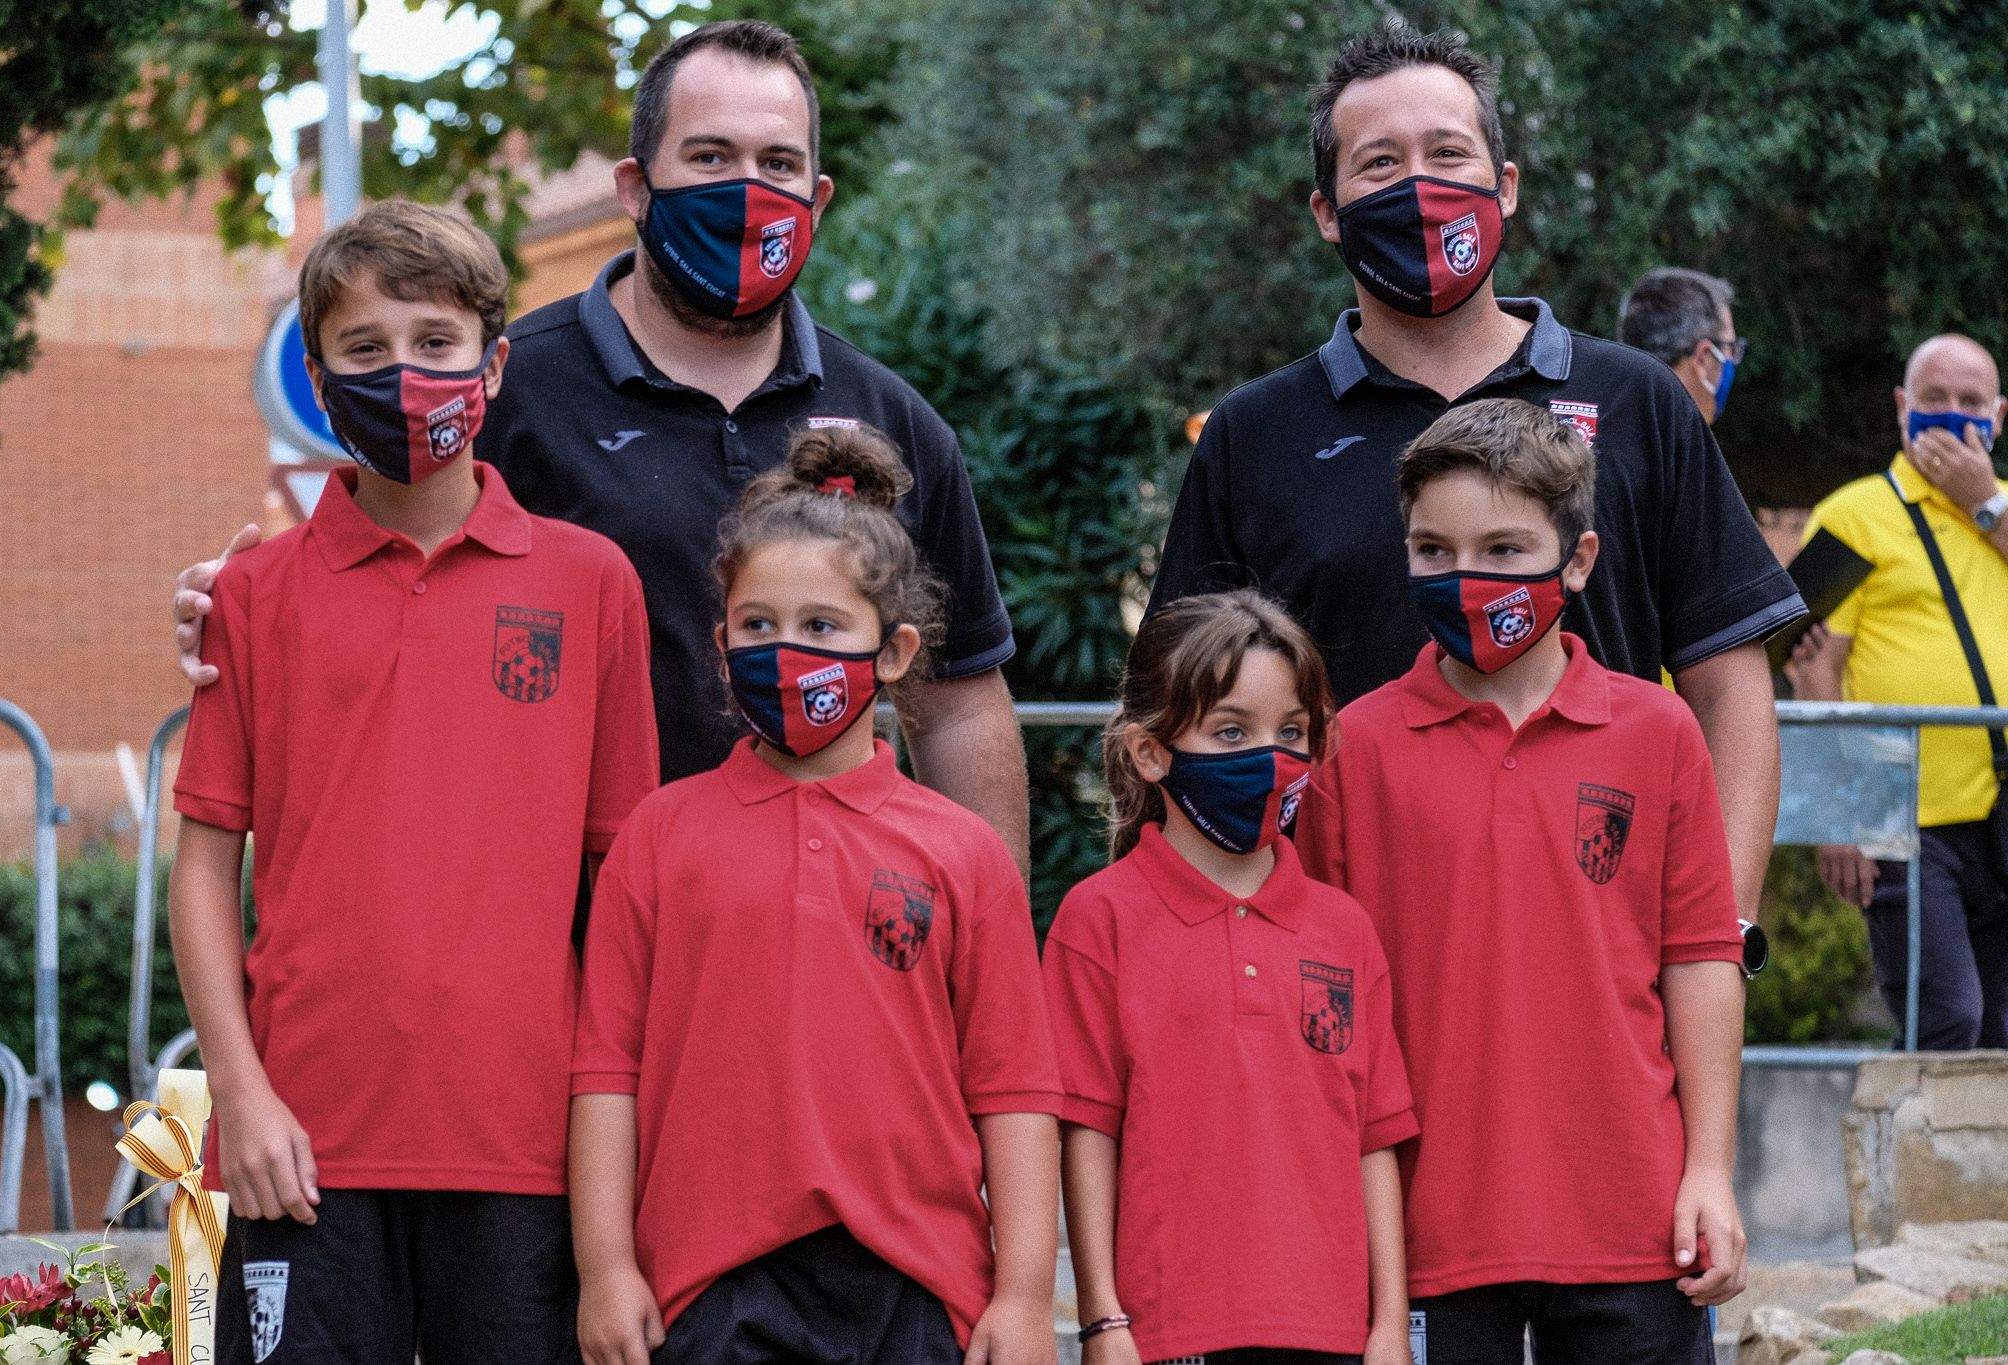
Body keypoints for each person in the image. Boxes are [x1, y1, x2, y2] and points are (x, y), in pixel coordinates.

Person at [171, 19, 1031, 868]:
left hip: (825, 933)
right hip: (565, 948)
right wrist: (236, 611)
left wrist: (987, 948)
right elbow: (375, 582)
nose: (746, 188)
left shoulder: (893, 420)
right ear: (634, 187)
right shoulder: (512, 394)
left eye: (778, 164)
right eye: (709, 157)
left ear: (820, 194)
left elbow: (956, 702)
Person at [1150, 19, 1802, 934]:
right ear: (1327, 211)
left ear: (1505, 187)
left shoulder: (1638, 401)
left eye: (1447, 153)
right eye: (1379, 162)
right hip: (1334, 951)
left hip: (1599, 946)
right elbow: (1179, 702)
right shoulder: (1254, 434)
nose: (1418, 185)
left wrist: (1718, 932)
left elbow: (1730, 684)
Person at [169, 200, 657, 1364]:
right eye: (365, 349)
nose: (406, 373)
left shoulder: (592, 585)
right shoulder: (252, 595)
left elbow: (628, 887)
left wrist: (617, 1146)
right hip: (304, 1150)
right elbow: (201, 867)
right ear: (321, 381)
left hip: (528, 1151)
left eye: (436, 342)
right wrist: (240, 1094)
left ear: (492, 364)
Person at [567, 424, 1061, 1365]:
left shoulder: (963, 852)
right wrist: (607, 1269)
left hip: (915, 1286)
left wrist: (1027, 1292)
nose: (785, 652)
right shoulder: (658, 836)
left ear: (897, 649)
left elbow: (1015, 1090)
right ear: (721, 645)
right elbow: (606, 1076)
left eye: (822, 628)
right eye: (758, 626)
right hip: (707, 1288)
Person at [1297, 399, 1749, 1363]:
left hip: (1635, 1224)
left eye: (1505, 550)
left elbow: (1701, 958)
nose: (1465, 579)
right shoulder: (1352, 750)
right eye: (1433, 549)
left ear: (1576, 561)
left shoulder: (1660, 733)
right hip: (1425, 1236)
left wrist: (1709, 1167)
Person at [1045, 590, 1417, 1365]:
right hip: (1167, 1335)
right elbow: (1087, 1133)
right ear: (1151, 753)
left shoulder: (1345, 928)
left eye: (1291, 732)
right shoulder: (1097, 919)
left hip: (1334, 1335)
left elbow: (1374, 1138)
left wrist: (1389, 1325)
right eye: (1230, 731)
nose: (1270, 756)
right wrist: (1102, 1319)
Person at [1795, 333, 2008, 1048]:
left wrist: (1983, 504)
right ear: (1901, 407)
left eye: (1970, 403)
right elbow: (1813, 667)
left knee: (2000, 1033)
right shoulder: (1851, 515)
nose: (1951, 416)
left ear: (1999, 416)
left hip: (1999, 810)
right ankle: (1898, 1158)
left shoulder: (2001, 511)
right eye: (1934, 400)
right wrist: (1839, 814)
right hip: (1903, 820)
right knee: (1944, 1018)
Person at [1616, 268, 1744, 428]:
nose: (1732, 359)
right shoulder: (1684, 450)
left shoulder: (1590, 442)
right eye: (1730, 347)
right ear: (1703, 357)